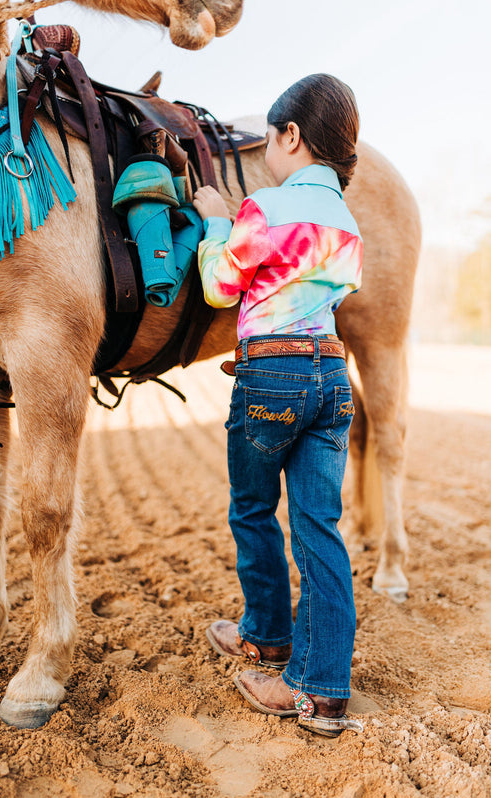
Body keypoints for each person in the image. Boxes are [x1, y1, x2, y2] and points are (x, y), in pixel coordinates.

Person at [192, 73, 364, 738]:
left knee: (253, 507)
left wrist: (216, 220)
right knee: (319, 528)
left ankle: (266, 636)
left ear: (290, 136)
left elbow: (216, 285)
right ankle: (323, 692)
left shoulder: (264, 209)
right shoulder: (347, 222)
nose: (266, 148)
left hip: (272, 376)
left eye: (269, 137)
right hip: (330, 373)